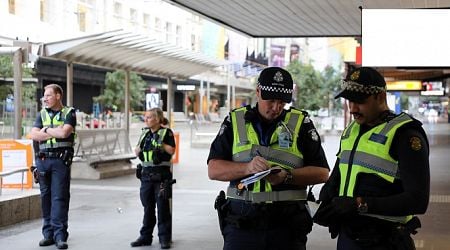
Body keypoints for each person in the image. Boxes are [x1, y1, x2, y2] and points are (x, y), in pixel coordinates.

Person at [207, 67, 330, 250]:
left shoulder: (301, 123)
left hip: (287, 226)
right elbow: (213, 169)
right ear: (258, 92)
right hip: (242, 224)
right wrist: (247, 168)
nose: (276, 108)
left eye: (282, 102)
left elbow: (322, 173)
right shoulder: (235, 120)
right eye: (271, 100)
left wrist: (287, 176)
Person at [313, 67, 430, 250]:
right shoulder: (353, 129)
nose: (353, 108)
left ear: (381, 97)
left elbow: (418, 200)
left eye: (360, 101)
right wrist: (329, 197)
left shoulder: (406, 135)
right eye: (350, 101)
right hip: (349, 237)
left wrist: (359, 204)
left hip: (386, 241)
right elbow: (341, 170)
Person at [29, 84, 77, 249]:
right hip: (43, 161)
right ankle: (48, 235)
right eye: (44, 95)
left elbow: (65, 133)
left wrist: (46, 130)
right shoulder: (41, 114)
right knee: (46, 198)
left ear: (58, 96)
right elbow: (33, 134)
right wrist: (53, 131)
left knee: (59, 198)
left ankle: (60, 236)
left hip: (60, 162)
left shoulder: (69, 113)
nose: (45, 98)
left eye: (49, 95)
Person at [131, 108, 176, 249]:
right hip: (146, 175)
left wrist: (160, 143)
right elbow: (137, 150)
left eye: (149, 117)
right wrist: (140, 147)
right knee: (148, 207)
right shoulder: (144, 133)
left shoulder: (166, 132)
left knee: (163, 208)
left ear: (157, 119)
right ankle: (145, 237)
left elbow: (172, 150)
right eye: (146, 117)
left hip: (161, 176)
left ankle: (164, 238)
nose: (147, 119)